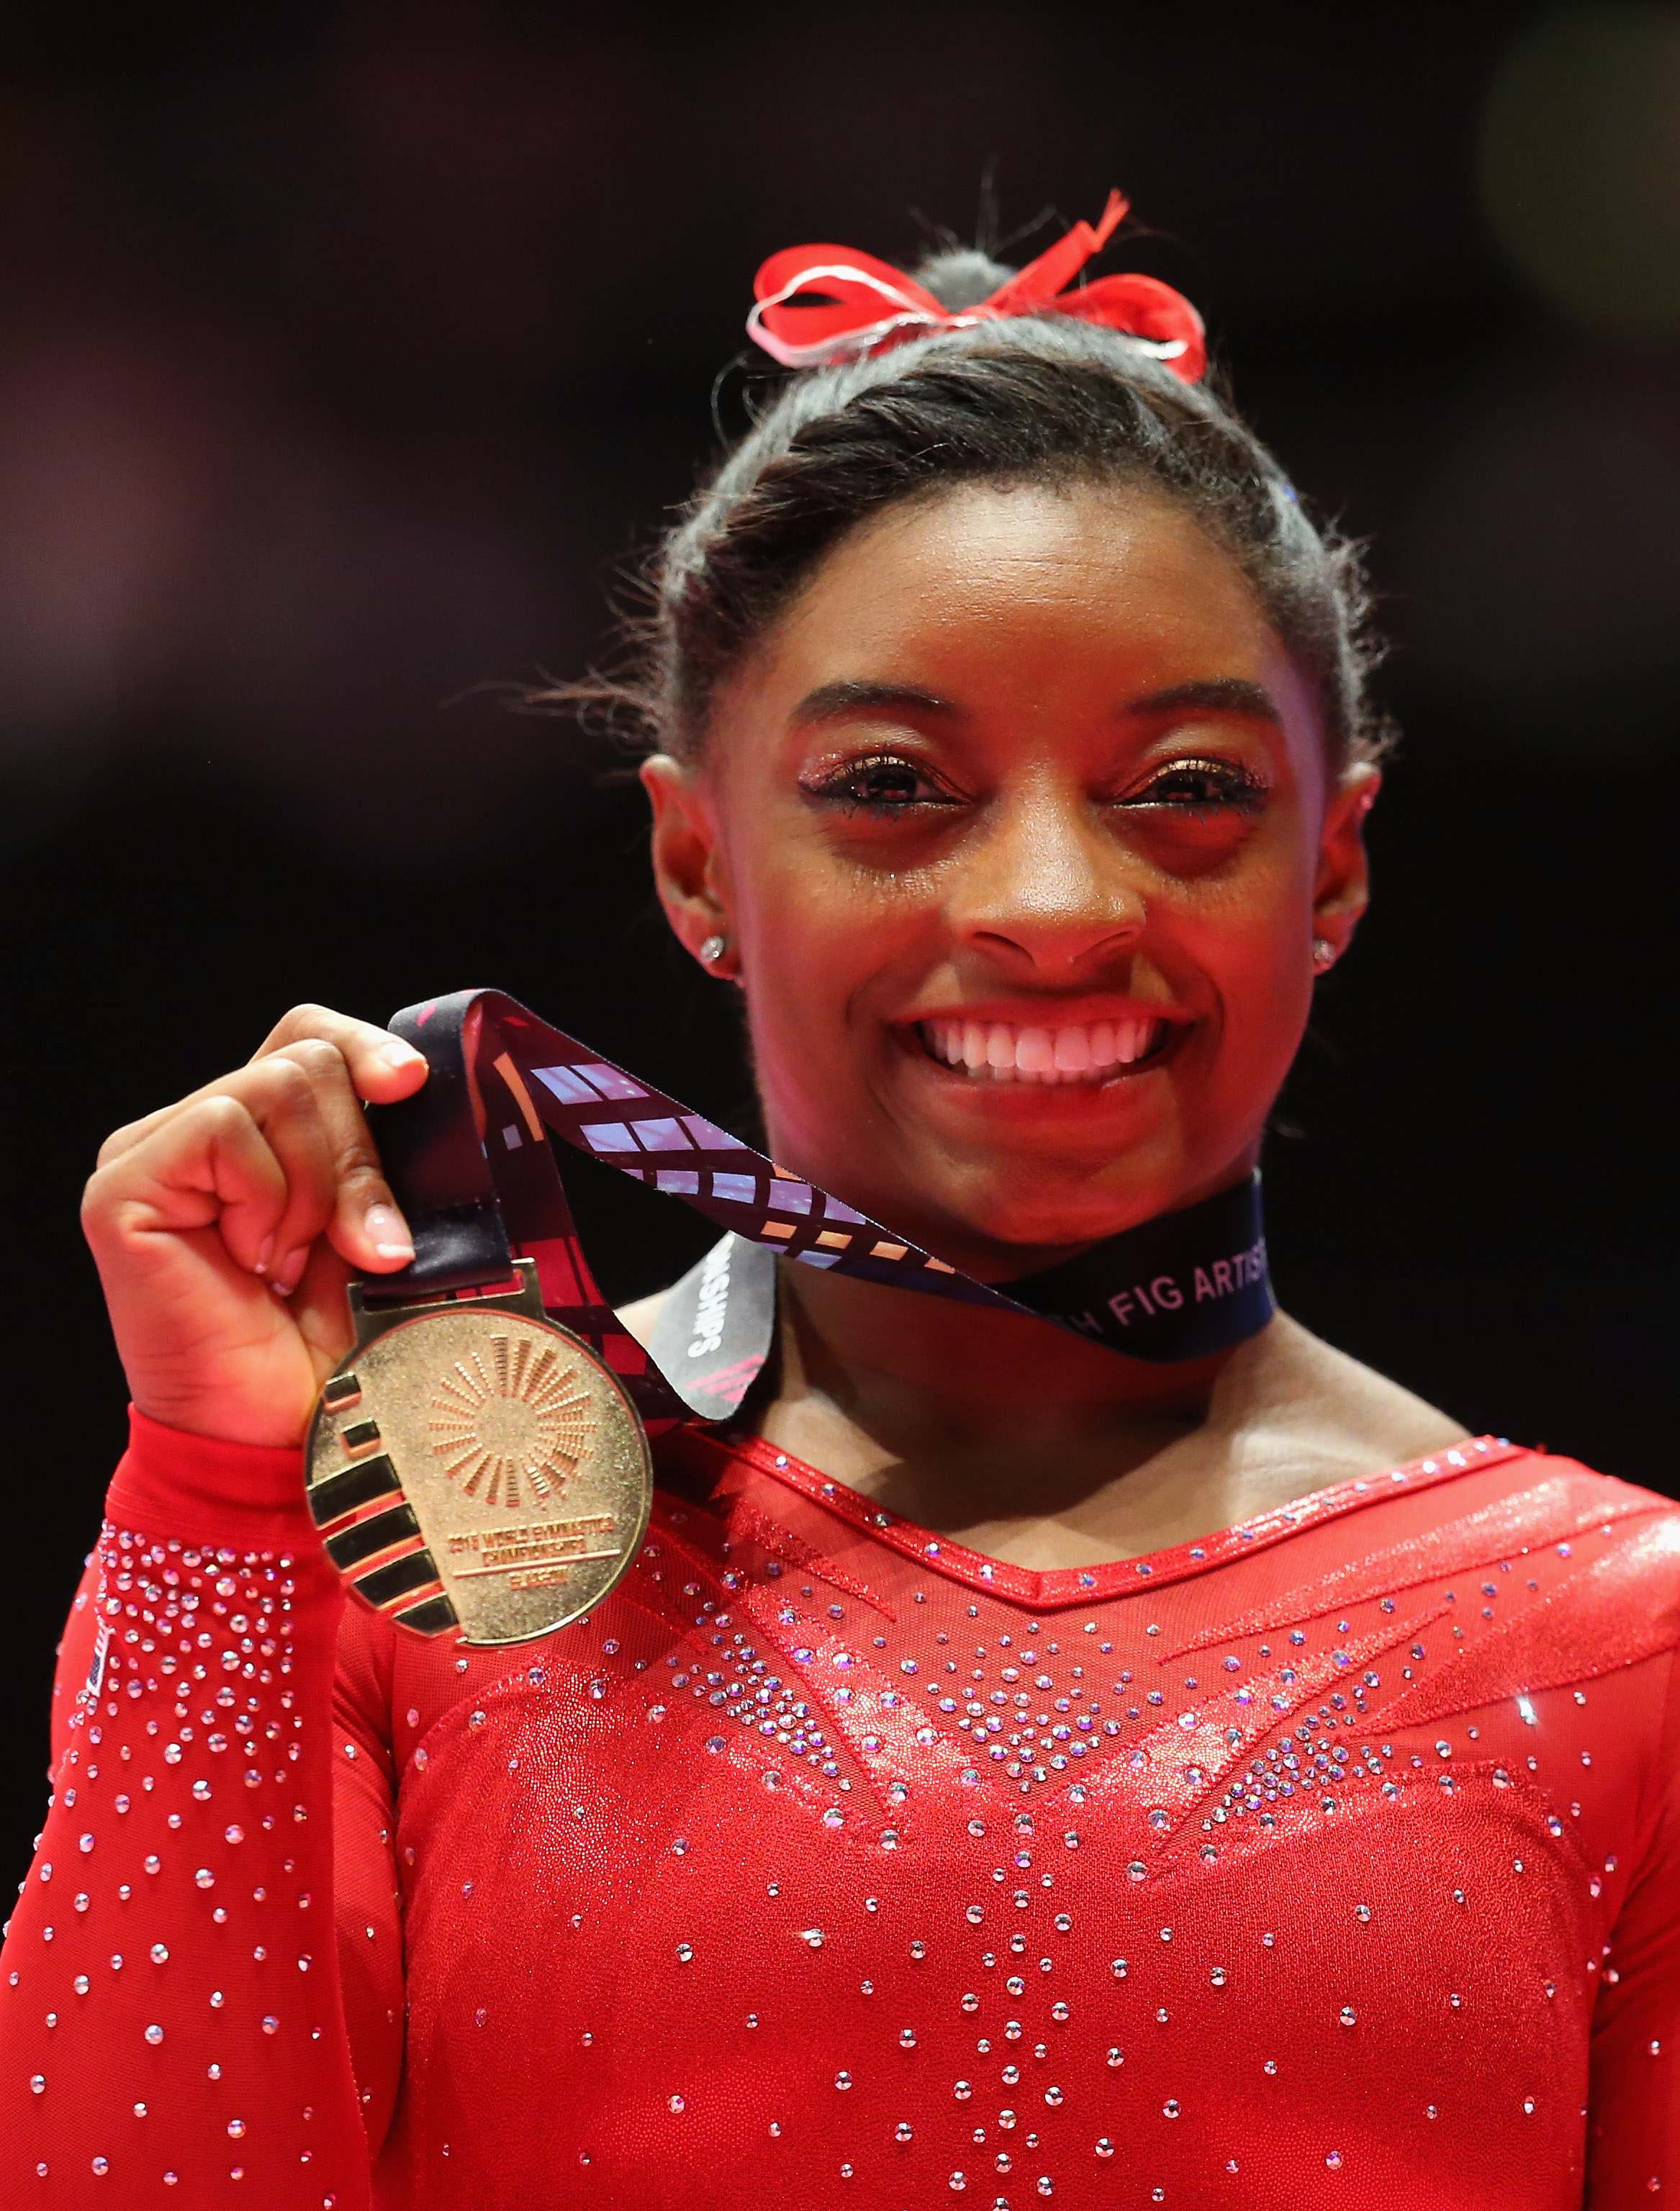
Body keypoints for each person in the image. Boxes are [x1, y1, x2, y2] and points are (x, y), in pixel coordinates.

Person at [3, 198, 1676, 2211]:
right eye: (894, 789)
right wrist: (215, 1494)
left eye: (1188, 790)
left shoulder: (1630, 1655)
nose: (1055, 907)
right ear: (698, 865)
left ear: (1332, 868)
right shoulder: (415, 1573)